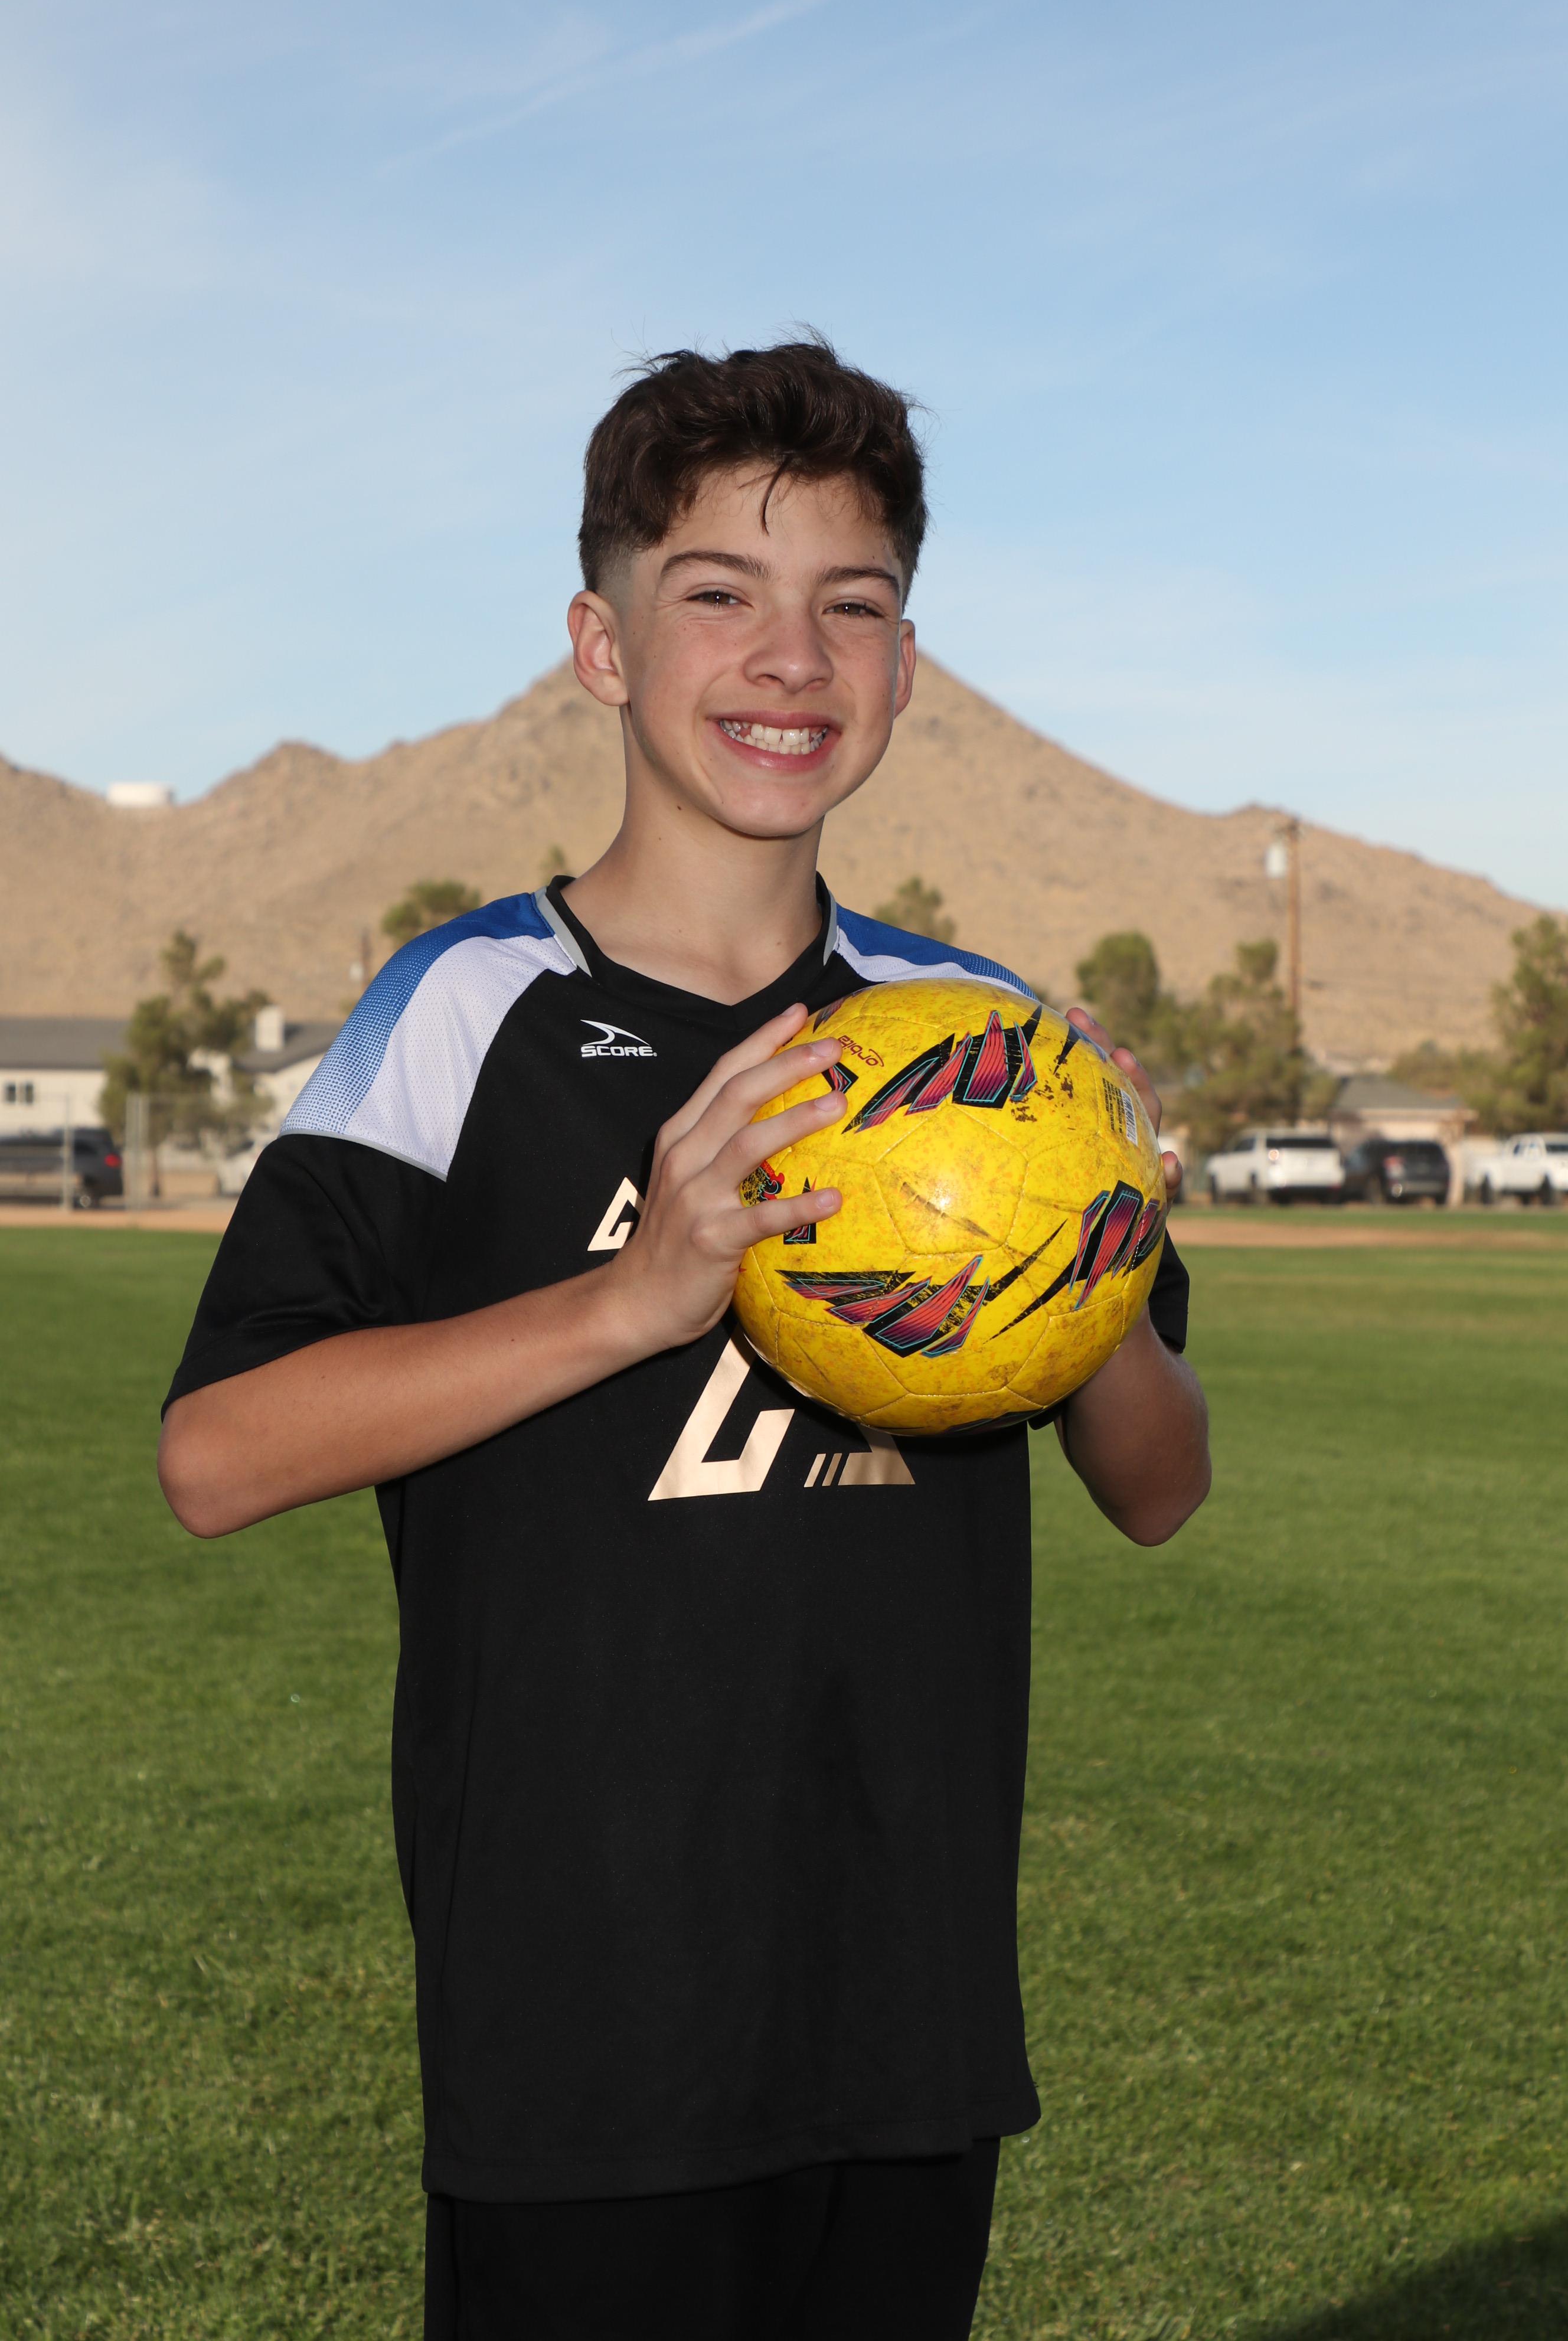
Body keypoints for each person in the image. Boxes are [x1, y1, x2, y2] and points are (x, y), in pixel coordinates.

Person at [159, 338, 1211, 2340]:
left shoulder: (974, 1043)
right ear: (603, 645)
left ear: (906, 666)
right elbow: (215, 1457)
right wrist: (634, 1297)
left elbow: (1160, 1489)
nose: (790, 658)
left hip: (905, 2019)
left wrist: (1091, 1255)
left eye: (852, 606)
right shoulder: (466, 1009)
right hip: (583, 2030)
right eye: (719, 592)